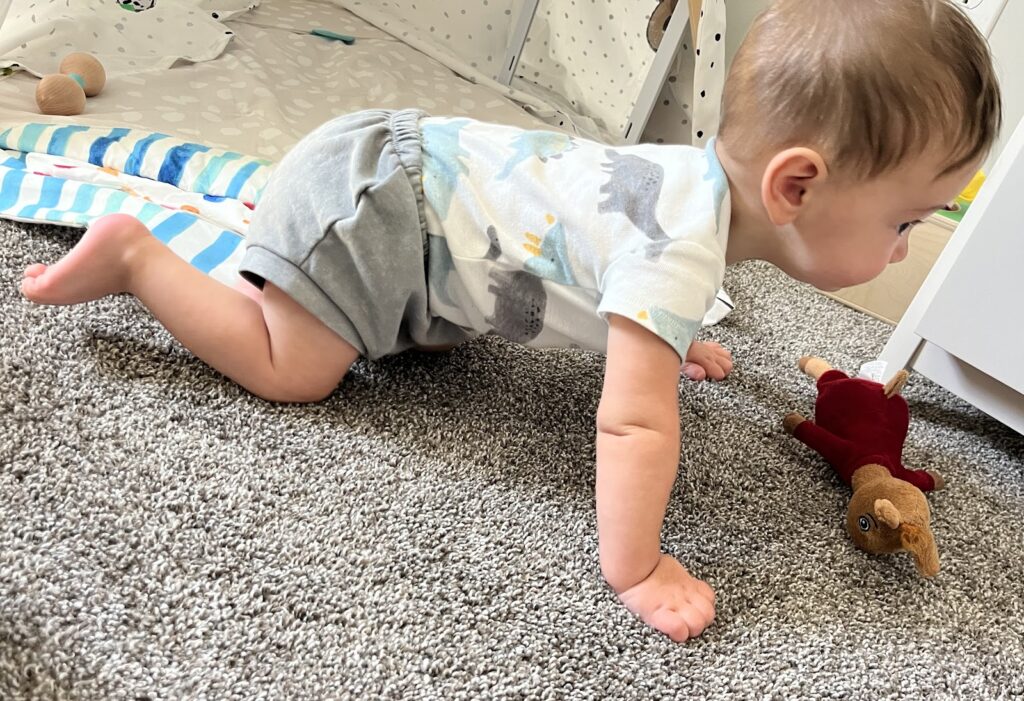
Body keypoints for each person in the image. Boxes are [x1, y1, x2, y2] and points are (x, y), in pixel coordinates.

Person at [19, 0, 1001, 642]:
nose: (905, 248)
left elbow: (618, 266)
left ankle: (252, 263)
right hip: (379, 210)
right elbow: (630, 422)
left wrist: (675, 333)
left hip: (400, 165)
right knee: (296, 368)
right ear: (795, 184)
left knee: (432, 336)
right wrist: (638, 564)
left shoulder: (693, 192)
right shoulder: (679, 249)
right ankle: (137, 257)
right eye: (903, 221)